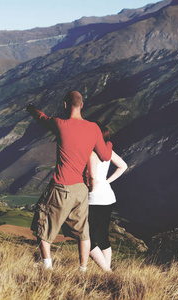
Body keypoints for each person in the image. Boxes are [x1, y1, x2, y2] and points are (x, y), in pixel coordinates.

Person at [26, 91, 113, 271]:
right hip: (81, 190)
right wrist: (109, 143)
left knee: (43, 227)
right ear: (82, 105)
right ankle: (83, 270)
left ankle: (47, 268)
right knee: (83, 232)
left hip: (60, 187)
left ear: (65, 105)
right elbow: (105, 155)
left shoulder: (60, 124)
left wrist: (31, 108)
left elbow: (42, 118)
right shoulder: (94, 129)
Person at [86, 123, 127, 272]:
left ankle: (106, 272)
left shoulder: (91, 153)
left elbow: (92, 177)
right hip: (108, 197)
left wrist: (91, 190)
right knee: (102, 235)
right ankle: (107, 270)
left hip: (95, 200)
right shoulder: (107, 152)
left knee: (86, 238)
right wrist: (107, 182)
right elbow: (123, 166)